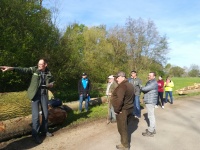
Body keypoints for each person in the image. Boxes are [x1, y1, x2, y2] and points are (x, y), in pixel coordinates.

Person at [0, 59, 54, 144]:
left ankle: (44, 131)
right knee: (36, 117)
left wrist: (51, 85)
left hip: (44, 95)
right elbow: (24, 69)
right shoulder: (34, 70)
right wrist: (11, 68)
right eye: (38, 64)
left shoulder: (49, 73)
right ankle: (35, 135)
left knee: (46, 114)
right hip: (35, 95)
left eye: (41, 64)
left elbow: (51, 82)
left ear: (45, 65)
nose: (39, 65)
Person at [111, 71, 134, 150]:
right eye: (116, 77)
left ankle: (125, 145)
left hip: (122, 110)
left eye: (118, 77)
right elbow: (132, 97)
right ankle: (124, 142)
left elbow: (120, 100)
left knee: (122, 128)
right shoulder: (130, 85)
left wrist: (117, 110)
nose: (116, 79)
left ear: (123, 77)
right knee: (125, 127)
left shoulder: (122, 86)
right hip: (130, 108)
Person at [141, 72, 158, 137]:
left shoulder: (153, 83)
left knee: (150, 116)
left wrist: (140, 87)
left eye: (150, 76)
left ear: (154, 77)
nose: (149, 76)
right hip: (150, 100)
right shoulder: (150, 82)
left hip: (150, 101)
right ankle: (152, 129)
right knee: (151, 116)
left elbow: (145, 89)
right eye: (148, 75)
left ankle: (150, 131)